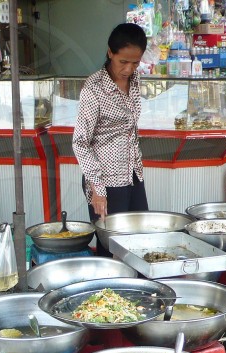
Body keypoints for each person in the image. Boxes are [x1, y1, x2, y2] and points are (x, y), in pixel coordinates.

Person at [72, 23, 148, 230]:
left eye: (135, 63)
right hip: (106, 181)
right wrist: (97, 188)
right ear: (110, 52)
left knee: (140, 234)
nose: (128, 69)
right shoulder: (93, 89)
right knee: (111, 243)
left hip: (133, 173)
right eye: (123, 61)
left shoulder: (135, 80)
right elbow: (80, 143)